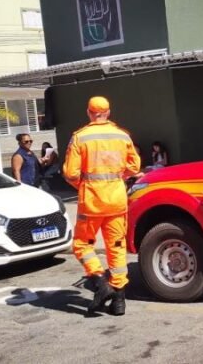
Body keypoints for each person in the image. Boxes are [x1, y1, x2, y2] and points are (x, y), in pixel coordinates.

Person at [63, 96, 141, 316]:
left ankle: (100, 283)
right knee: (116, 249)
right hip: (117, 199)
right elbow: (134, 166)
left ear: (89, 112)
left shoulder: (80, 137)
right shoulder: (122, 135)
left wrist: (84, 185)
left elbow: (70, 173)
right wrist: (118, 177)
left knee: (81, 245)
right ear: (108, 112)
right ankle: (119, 302)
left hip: (92, 202)